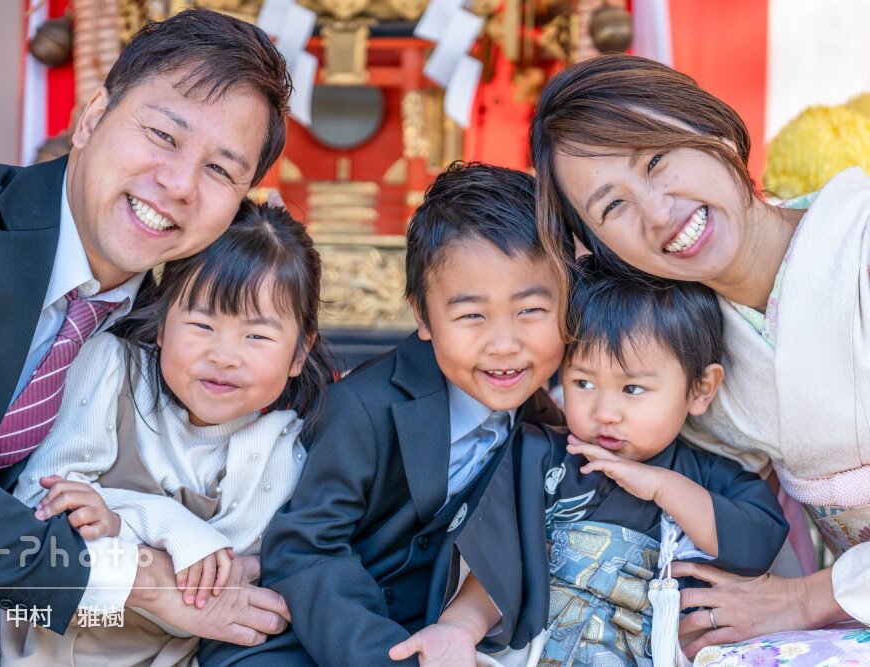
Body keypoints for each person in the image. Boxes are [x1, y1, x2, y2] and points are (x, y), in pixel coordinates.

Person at [0, 9, 292, 666]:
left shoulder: (178, 326)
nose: (178, 184)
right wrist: (145, 582)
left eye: (220, 170)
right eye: (162, 135)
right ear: (92, 117)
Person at [529, 52, 870, 659]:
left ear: (711, 127)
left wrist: (806, 599)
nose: (659, 213)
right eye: (612, 207)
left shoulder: (859, 240)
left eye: (656, 159)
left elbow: (795, 595)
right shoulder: (696, 355)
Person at [200, 161, 567, 666]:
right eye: (472, 315)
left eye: (530, 311)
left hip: (435, 640)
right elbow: (307, 549)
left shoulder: (549, 424)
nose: (504, 345)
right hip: (304, 636)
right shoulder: (363, 408)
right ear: (423, 315)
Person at [390, 255, 788, 666]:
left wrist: (663, 487)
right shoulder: (538, 456)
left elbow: (757, 546)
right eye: (583, 382)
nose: (605, 412)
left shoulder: (712, 479)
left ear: (701, 389)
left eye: (633, 389)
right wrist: (458, 628)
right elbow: (496, 571)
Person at [0, 202, 334, 666]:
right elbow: (39, 505)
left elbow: (207, 594)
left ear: (299, 353)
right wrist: (168, 524)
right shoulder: (111, 368)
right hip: (34, 647)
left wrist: (114, 519)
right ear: (162, 324)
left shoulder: (280, 450)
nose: (224, 356)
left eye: (256, 336)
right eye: (202, 324)